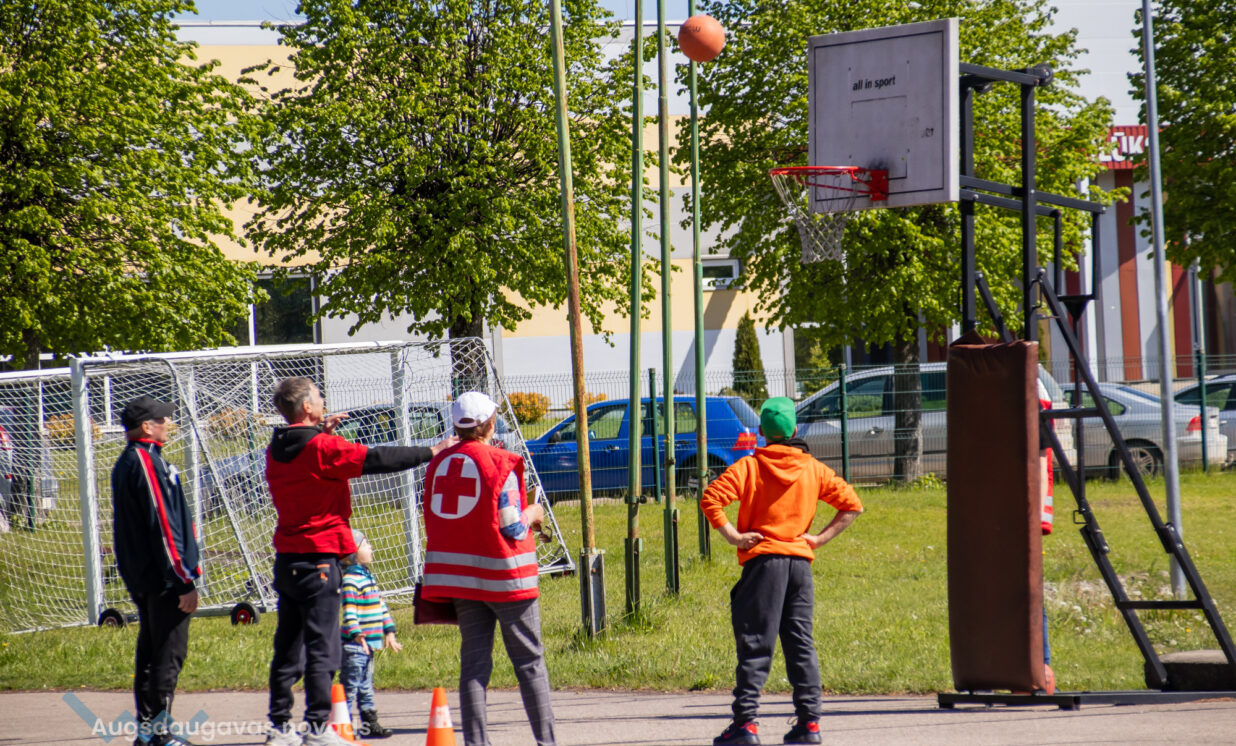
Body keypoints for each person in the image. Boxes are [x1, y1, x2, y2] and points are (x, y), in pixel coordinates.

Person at [264, 377, 453, 746]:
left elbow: (306, 459)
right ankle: (317, 728)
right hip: (320, 560)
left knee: (288, 645)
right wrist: (432, 450)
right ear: (307, 407)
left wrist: (320, 433)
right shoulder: (324, 447)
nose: (323, 399)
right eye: (318, 395)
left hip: (287, 559)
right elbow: (376, 458)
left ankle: (279, 726)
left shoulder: (276, 448)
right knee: (323, 648)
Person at [701, 397, 864, 746]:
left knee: (755, 644)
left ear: (761, 430)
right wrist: (818, 539)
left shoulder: (749, 466)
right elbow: (852, 505)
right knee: (801, 644)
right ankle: (809, 725)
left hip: (763, 566)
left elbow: (710, 499)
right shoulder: (813, 469)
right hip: (799, 567)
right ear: (794, 429)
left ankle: (745, 725)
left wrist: (734, 537)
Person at [420, 391, 556, 746]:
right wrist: (534, 513)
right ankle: (547, 742)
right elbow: (512, 526)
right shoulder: (499, 462)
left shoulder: (438, 464)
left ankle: (476, 743)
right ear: (490, 424)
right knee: (529, 662)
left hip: (461, 582)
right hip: (505, 578)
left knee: (474, 665)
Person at [111, 395, 201, 746]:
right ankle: (159, 732)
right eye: (164, 420)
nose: (169, 424)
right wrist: (182, 579)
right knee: (167, 653)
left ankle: (148, 730)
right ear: (147, 426)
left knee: (153, 650)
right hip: (162, 578)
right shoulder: (144, 461)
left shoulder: (138, 459)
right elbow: (163, 526)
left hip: (149, 574)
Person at [339, 528, 401, 738]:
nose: (371, 547)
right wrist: (357, 634)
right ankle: (343, 725)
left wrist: (389, 631)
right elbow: (349, 611)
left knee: (366, 686)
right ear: (352, 553)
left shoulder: (368, 577)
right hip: (355, 646)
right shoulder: (351, 580)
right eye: (365, 544)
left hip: (369, 646)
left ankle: (370, 724)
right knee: (350, 687)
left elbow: (381, 606)